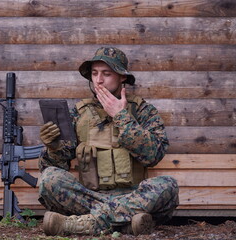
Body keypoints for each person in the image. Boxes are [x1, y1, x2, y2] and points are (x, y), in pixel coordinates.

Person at [38, 47, 179, 236]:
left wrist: (121, 116)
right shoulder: (79, 113)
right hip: (90, 197)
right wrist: (53, 148)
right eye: (94, 74)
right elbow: (57, 165)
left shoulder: (143, 111)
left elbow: (152, 156)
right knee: (49, 178)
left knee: (168, 185)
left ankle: (83, 224)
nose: (99, 80)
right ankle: (125, 224)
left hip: (134, 196)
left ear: (122, 77)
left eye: (107, 73)